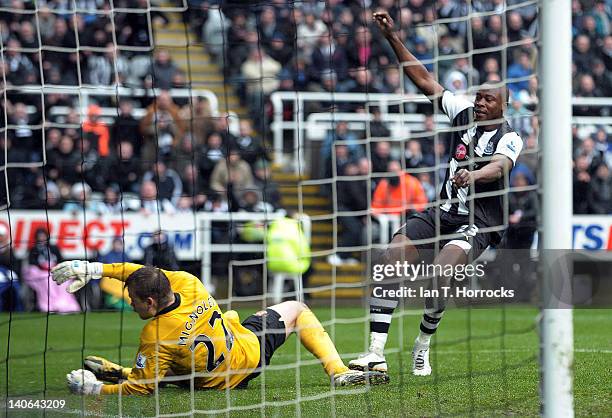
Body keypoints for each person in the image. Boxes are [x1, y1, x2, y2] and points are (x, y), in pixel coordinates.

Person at [348, 11, 523, 377]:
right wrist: (392, 36)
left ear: (503, 105)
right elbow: (425, 80)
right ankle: (375, 354)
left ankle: (422, 344)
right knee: (390, 255)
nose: (479, 103)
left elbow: (500, 167)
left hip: (478, 222)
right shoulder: (462, 114)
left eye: (488, 100)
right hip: (441, 211)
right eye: (478, 97)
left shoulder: (510, 136)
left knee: (440, 273)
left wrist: (473, 175)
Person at [51, 261, 388, 395]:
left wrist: (94, 391)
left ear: (150, 303)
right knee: (297, 309)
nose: (131, 304)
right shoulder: (188, 282)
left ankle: (119, 371)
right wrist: (96, 269)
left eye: (134, 301)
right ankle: (338, 371)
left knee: (167, 363)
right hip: (247, 352)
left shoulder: (154, 336)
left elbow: (142, 389)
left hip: (213, 382)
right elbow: (144, 273)